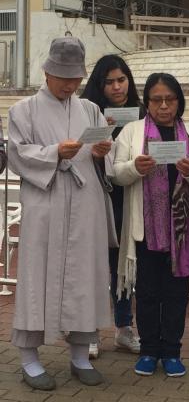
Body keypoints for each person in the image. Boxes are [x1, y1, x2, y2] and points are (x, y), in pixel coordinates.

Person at [8, 37, 114, 390]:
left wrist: (101, 152)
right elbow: (18, 154)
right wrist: (55, 152)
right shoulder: (22, 110)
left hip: (85, 202)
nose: (70, 85)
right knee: (37, 276)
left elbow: (104, 157)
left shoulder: (90, 109)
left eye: (75, 79)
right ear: (47, 72)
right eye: (63, 78)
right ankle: (29, 358)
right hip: (46, 200)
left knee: (85, 276)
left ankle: (81, 354)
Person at [113, 73, 189, 378]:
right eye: (156, 100)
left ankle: (171, 351)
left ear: (179, 102)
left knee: (175, 292)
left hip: (181, 232)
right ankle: (148, 351)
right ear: (146, 103)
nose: (163, 106)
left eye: (169, 99)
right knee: (146, 291)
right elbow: (116, 173)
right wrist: (135, 168)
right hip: (146, 228)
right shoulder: (132, 132)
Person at [81, 55, 144, 358]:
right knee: (93, 265)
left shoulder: (142, 114)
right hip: (93, 198)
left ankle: (124, 328)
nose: (117, 87)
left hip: (128, 198)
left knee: (123, 266)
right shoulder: (85, 111)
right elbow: (77, 152)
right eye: (110, 82)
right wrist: (99, 135)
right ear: (99, 84)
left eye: (122, 80)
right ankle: (89, 331)